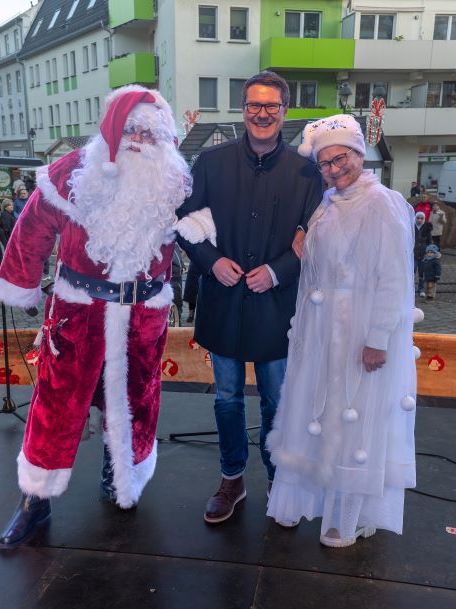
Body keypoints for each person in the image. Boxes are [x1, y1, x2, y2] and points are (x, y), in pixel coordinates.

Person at [0, 85, 192, 549]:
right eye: (132, 129)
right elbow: (32, 228)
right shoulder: (71, 174)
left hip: (143, 314)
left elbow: (201, 233)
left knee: (136, 401)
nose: (139, 139)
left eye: (150, 132)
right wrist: (20, 281)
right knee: (56, 403)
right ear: (113, 128)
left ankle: (121, 475)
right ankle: (33, 501)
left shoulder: (176, 180)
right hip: (78, 312)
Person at [175, 71, 323, 524]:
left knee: (278, 400)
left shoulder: (307, 169)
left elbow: (317, 234)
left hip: (277, 307)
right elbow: (183, 219)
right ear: (243, 109)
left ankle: (280, 482)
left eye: (272, 106)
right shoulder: (211, 162)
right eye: (255, 106)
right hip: (223, 301)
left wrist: (279, 272)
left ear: (284, 112)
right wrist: (210, 260)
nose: (263, 114)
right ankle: (232, 478)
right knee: (227, 398)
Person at [263, 113, 416, 548]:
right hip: (324, 326)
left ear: (358, 154)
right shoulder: (329, 204)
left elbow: (393, 277)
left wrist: (378, 338)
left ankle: (349, 515)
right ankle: (314, 499)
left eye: (341, 158)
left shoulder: (382, 203)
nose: (334, 168)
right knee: (322, 410)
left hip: (359, 328)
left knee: (355, 416)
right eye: (326, 163)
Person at [413, 211, 432, 296]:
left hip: (423, 254)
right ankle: (411, 289)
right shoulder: (411, 227)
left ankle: (421, 289)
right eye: (418, 218)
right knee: (411, 272)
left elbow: (429, 242)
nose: (419, 220)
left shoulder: (426, 229)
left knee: (422, 273)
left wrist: (429, 252)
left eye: (422, 218)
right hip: (412, 254)